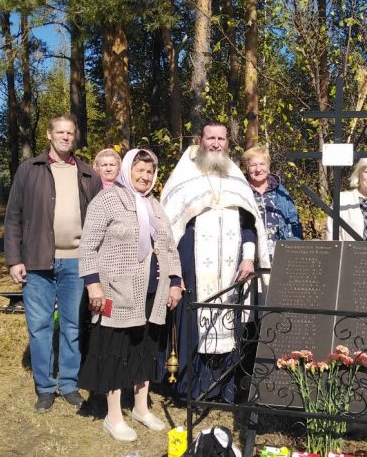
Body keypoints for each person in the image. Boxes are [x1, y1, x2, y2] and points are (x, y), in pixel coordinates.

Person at [160, 121, 271, 403]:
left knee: (229, 326)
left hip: (232, 269)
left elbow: (249, 223)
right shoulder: (184, 174)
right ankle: (191, 391)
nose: (216, 143)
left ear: (227, 142)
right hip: (194, 268)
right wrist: (175, 272)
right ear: (201, 140)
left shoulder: (235, 176)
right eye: (211, 138)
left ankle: (225, 390)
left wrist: (248, 257)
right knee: (194, 326)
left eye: (221, 138)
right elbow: (170, 224)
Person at [77, 149, 182, 441]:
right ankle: (113, 416)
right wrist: (93, 284)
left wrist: (175, 280)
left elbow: (168, 247)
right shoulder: (109, 199)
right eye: (139, 170)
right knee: (114, 349)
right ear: (127, 170)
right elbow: (88, 246)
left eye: (149, 171)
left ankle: (140, 408)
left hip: (151, 294)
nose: (145, 176)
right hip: (116, 291)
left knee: (145, 349)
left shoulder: (155, 207)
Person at [4, 114, 102, 412]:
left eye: (70, 133)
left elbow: (100, 222)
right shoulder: (29, 170)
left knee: (72, 326)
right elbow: (13, 218)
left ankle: (69, 384)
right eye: (60, 132)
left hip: (77, 263)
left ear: (75, 137)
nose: (65, 137)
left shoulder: (88, 174)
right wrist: (14, 259)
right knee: (40, 326)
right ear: (49, 135)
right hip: (37, 262)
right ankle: (45, 387)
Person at [242, 146, 303, 261]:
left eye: (262, 164)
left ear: (268, 166)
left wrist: (295, 251)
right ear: (247, 167)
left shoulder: (280, 192)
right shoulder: (240, 191)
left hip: (278, 257)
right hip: (248, 258)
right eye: (253, 165)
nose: (258, 169)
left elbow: (293, 221)